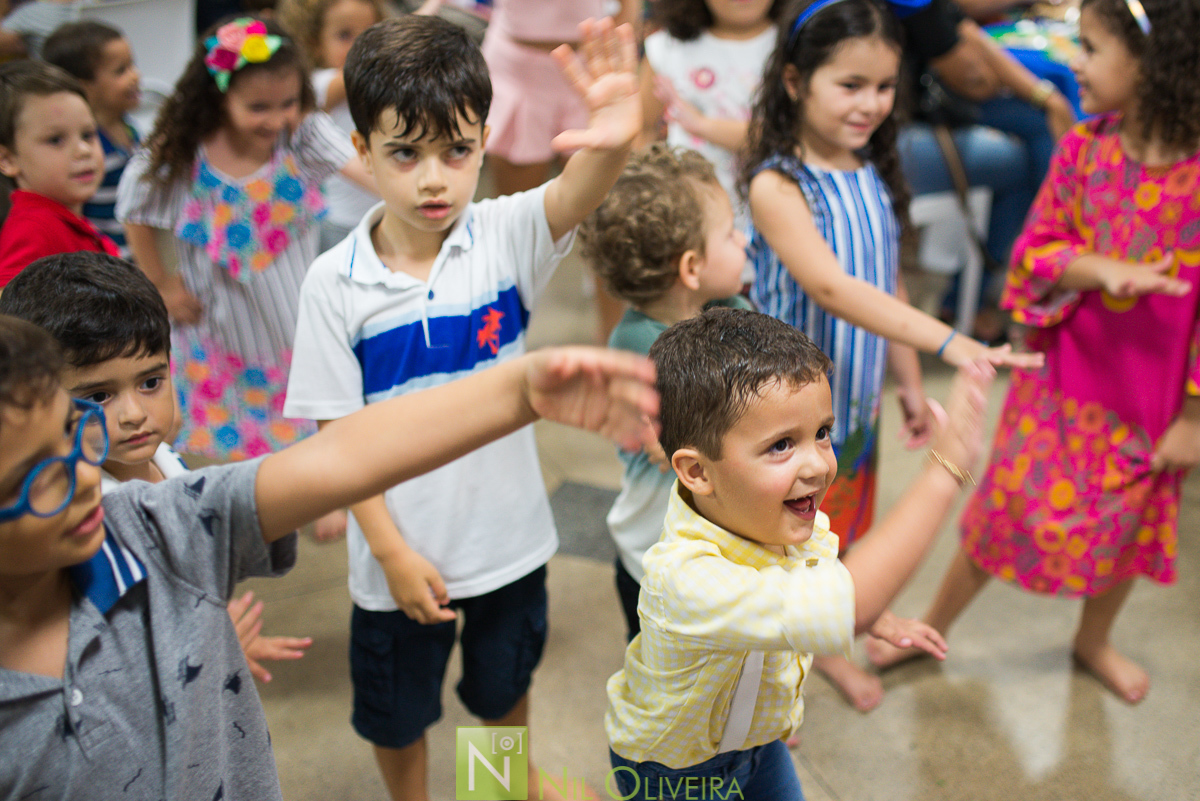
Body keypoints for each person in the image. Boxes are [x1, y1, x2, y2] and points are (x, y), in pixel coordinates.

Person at [0, 304, 658, 799]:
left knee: (496, 696)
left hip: (504, 564)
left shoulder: (151, 527)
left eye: (71, 438)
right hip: (398, 596)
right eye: (38, 475)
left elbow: (339, 457)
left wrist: (518, 392)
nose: (87, 477)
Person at [282, 14, 640, 801]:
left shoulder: (505, 235)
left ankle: (497, 794)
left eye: (458, 150)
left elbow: (579, 187)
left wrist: (613, 137)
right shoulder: (335, 285)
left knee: (499, 695)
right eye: (405, 154)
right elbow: (337, 439)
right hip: (397, 560)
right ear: (362, 154)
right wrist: (392, 551)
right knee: (397, 715)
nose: (435, 179)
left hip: (508, 545)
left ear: (484, 141)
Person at [867, 0, 1200, 706]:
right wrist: (1097, 269)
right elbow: (1033, 254)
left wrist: (1194, 418)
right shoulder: (1084, 148)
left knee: (1130, 520)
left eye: (1091, 47)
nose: (1073, 62)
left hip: (1153, 395)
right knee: (1006, 504)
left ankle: (1092, 639)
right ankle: (932, 624)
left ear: (1157, 66)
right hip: (1062, 380)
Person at [741, 0, 1043, 711]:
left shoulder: (869, 170)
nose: (870, 104)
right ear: (794, 81)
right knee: (777, 559)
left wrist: (908, 382)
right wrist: (950, 338)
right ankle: (769, 687)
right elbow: (832, 286)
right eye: (850, 85)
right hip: (781, 426)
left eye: (883, 87)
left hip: (856, 408)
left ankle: (830, 646)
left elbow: (886, 278)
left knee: (841, 539)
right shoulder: (778, 184)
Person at [605, 307, 993, 799]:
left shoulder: (769, 514)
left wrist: (873, 616)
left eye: (822, 433)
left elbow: (820, 570)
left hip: (760, 743)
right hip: (675, 774)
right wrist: (945, 470)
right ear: (699, 473)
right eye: (782, 445)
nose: (818, 465)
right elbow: (848, 598)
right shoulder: (685, 578)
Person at [0, 250, 316, 684]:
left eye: (151, 382)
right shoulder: (83, 526)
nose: (133, 413)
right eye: (98, 397)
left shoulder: (172, 465)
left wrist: (220, 637)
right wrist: (215, 648)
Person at [116, 16, 372, 539]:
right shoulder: (184, 153)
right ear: (218, 99)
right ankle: (255, 507)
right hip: (221, 323)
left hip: (297, 316)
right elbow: (136, 208)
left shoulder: (300, 137)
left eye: (287, 103)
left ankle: (325, 492)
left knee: (316, 400)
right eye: (258, 107)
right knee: (237, 427)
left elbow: (366, 171)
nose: (276, 119)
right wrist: (162, 281)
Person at [580, 143, 751, 641]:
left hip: (720, 549)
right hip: (655, 560)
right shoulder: (635, 350)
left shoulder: (733, 310)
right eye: (730, 233)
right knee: (669, 687)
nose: (743, 240)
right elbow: (669, 450)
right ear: (692, 267)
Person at [896, 0, 1077, 338]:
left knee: (1033, 144)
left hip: (907, 120)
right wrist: (1047, 97)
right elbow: (974, 78)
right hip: (898, 136)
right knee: (1033, 151)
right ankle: (1047, 273)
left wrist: (1044, 97)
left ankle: (984, 295)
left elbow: (962, 28)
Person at [277, 0, 443, 252]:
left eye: (369, 33)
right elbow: (365, 67)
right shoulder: (318, 85)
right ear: (315, 43)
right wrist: (423, 15)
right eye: (345, 35)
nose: (360, 46)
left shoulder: (384, 81)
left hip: (390, 216)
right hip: (342, 225)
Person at [639, 0, 783, 285]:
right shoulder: (669, 47)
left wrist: (702, 125)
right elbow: (642, 129)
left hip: (774, 222)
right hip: (690, 223)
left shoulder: (794, 43)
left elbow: (785, 135)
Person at [0, 60, 115, 288]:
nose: (83, 150)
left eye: (88, 135)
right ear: (8, 160)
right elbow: (9, 313)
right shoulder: (34, 229)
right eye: (56, 140)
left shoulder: (63, 219)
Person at [43, 21, 143, 258]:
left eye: (132, 66)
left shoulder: (130, 128)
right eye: (121, 71)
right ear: (82, 85)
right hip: (112, 262)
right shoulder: (85, 148)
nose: (135, 76)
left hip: (139, 251)